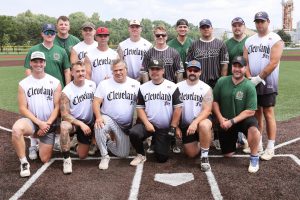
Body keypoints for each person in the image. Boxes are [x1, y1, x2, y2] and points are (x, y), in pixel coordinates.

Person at [24, 23, 71, 160]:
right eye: (47, 32)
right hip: (38, 89)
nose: (49, 35)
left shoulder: (61, 51)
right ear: (42, 34)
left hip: (57, 88)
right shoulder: (34, 49)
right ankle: (33, 144)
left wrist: (67, 88)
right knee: (35, 113)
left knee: (56, 114)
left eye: (52, 32)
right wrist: (32, 84)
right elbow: (28, 68)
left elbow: (66, 70)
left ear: (55, 34)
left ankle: (55, 139)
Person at [12, 51, 61, 177]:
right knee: (17, 130)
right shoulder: (24, 83)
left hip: (49, 123)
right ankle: (23, 162)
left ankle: (39, 142)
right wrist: (39, 123)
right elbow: (22, 108)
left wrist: (47, 124)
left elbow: (57, 107)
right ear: (31, 63)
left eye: (41, 61)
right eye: (35, 61)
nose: (38, 64)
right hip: (33, 122)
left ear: (45, 63)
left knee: (44, 159)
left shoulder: (54, 82)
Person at [244, 11, 284, 161]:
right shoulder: (249, 41)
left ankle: (270, 147)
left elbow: (273, 62)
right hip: (251, 80)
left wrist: (258, 78)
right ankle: (258, 144)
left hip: (268, 82)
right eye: (257, 22)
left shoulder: (275, 39)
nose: (259, 24)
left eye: (262, 21)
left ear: (268, 21)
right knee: (256, 114)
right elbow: (245, 61)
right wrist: (249, 77)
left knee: (268, 113)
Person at [129, 59, 182, 166]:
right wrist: (147, 123)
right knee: (134, 132)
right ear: (148, 71)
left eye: (158, 69)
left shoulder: (172, 86)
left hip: (164, 127)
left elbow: (178, 108)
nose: (155, 72)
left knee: (161, 158)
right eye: (152, 69)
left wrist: (173, 126)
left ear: (163, 71)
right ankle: (140, 154)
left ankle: (159, 142)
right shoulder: (143, 87)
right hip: (149, 124)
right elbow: (140, 108)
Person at [212, 56, 261, 173]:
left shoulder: (249, 86)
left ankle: (254, 157)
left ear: (245, 68)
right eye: (235, 66)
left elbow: (251, 111)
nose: (237, 69)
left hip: (243, 120)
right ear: (231, 67)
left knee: (254, 129)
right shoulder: (222, 81)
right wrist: (221, 119)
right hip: (226, 120)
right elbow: (214, 102)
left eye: (240, 66)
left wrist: (232, 121)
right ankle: (240, 142)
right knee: (228, 154)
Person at [186, 19, 229, 150]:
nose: (205, 29)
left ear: (212, 28)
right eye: (203, 27)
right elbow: (189, 65)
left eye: (207, 27)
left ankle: (216, 137)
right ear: (200, 29)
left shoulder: (220, 44)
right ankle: (200, 136)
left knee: (217, 111)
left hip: (216, 81)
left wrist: (222, 82)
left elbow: (224, 64)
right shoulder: (194, 45)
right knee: (200, 110)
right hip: (200, 83)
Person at [93, 59, 140, 170]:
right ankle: (104, 156)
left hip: (124, 125)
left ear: (126, 70)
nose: (118, 72)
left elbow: (141, 106)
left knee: (123, 154)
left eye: (120, 70)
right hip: (108, 118)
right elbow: (96, 102)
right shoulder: (104, 84)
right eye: (115, 70)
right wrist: (98, 117)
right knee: (99, 125)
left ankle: (107, 141)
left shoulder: (135, 84)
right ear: (112, 72)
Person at [59, 61, 96, 174]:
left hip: (88, 123)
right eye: (77, 71)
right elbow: (64, 115)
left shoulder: (92, 85)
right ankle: (66, 159)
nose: (81, 73)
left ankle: (74, 144)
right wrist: (80, 124)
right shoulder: (66, 91)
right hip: (74, 123)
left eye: (82, 71)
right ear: (72, 73)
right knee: (64, 126)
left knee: (82, 155)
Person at [176, 60, 213, 172]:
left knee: (204, 125)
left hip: (200, 120)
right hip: (186, 125)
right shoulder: (177, 87)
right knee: (191, 154)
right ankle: (204, 140)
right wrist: (176, 126)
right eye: (190, 70)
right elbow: (175, 109)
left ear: (200, 72)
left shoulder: (206, 88)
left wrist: (195, 122)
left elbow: (207, 110)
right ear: (186, 71)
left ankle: (205, 156)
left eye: (195, 70)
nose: (192, 72)